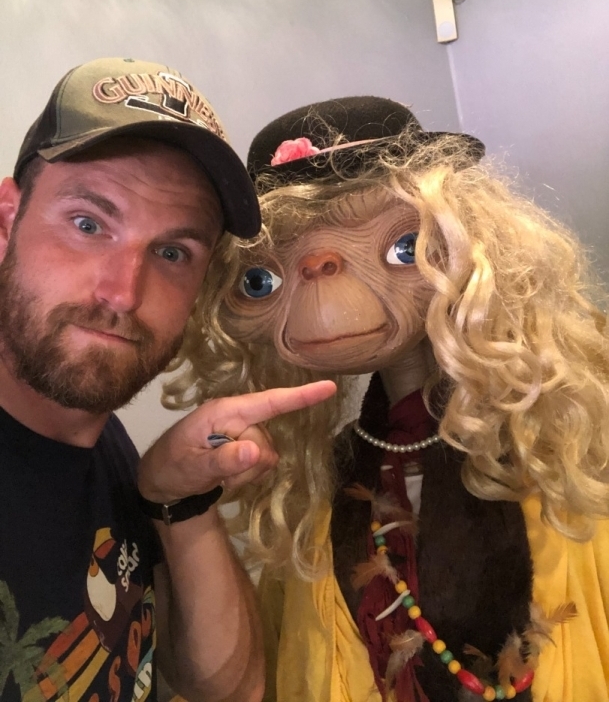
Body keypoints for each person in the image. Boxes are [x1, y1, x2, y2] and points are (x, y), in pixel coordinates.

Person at [165, 96, 609, 701]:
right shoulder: (315, 489)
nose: (322, 272)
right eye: (262, 278)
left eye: (402, 247)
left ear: (467, 249)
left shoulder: (572, 444)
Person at [0, 57, 335, 702]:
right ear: (6, 222)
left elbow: (226, 690)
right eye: (88, 224)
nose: (123, 294)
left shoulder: (101, 441)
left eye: (172, 252)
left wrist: (177, 502)